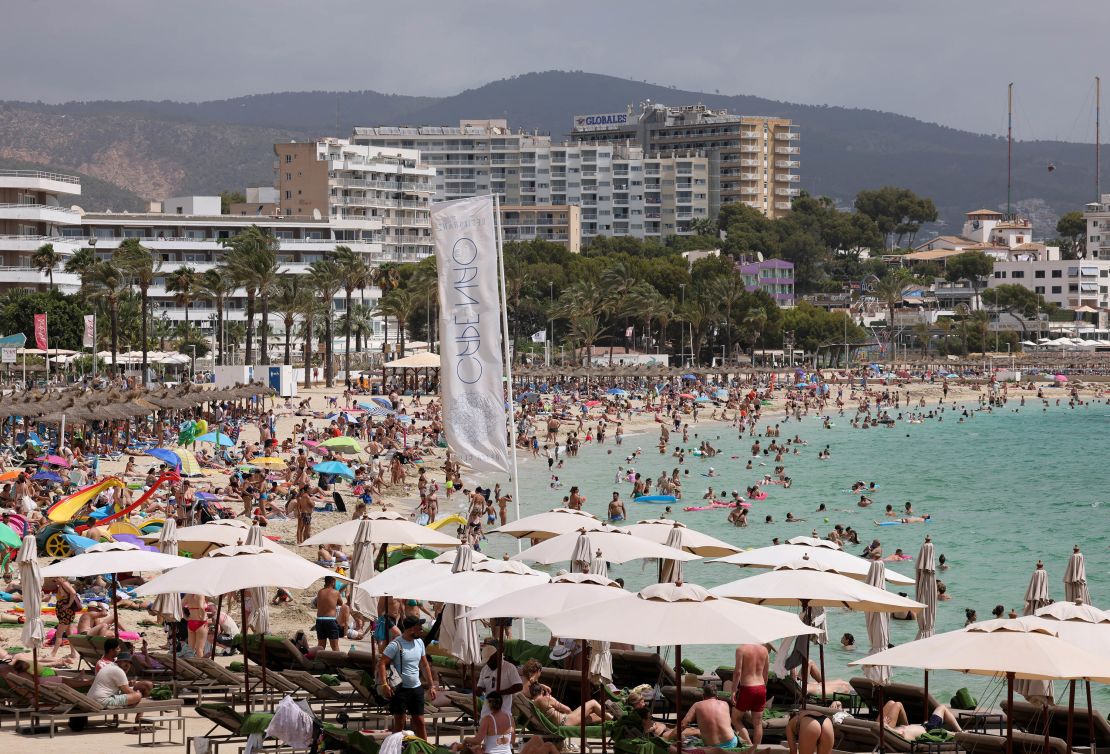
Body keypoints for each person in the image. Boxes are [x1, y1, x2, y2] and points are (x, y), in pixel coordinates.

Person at [377, 616, 439, 739]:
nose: (422, 630)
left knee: (420, 722)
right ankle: (394, 750)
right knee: (400, 723)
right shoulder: (396, 644)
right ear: (411, 629)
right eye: (419, 628)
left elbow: (425, 665)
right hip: (400, 690)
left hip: (416, 688)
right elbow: (382, 663)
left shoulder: (420, 642)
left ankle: (424, 750)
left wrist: (431, 685)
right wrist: (384, 684)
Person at [669, 685, 740, 749]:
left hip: (713, 747)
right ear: (716, 695)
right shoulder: (725, 704)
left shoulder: (697, 705)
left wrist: (669, 738)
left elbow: (683, 724)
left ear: (703, 695)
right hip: (732, 743)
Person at [732, 643, 769, 748]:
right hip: (761, 687)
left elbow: (737, 672)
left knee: (735, 719)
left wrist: (733, 690)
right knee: (758, 723)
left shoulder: (741, 649)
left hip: (747, 688)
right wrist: (763, 688)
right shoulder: (764, 650)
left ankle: (749, 745)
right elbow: (765, 673)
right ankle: (756, 749)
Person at [477, 644, 523, 719]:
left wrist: (500, 693)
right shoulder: (484, 669)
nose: (488, 663)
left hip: (503, 710)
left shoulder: (509, 667)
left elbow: (519, 686)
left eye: (490, 661)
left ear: (496, 656)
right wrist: (478, 690)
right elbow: (480, 686)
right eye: (487, 662)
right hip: (487, 710)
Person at [529, 684, 606, 726]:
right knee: (593, 703)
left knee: (593, 716)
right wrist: (574, 716)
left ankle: (609, 719)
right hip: (566, 721)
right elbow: (567, 709)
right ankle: (614, 719)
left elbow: (532, 683)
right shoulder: (546, 699)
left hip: (560, 723)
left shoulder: (532, 702)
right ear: (542, 691)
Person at [882, 700, 962, 739]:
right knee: (942, 707)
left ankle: (960, 731)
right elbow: (901, 734)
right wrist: (887, 727)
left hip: (925, 727)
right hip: (930, 729)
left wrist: (887, 726)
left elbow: (900, 733)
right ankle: (960, 731)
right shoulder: (897, 733)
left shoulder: (895, 731)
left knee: (891, 703)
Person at [314, 575, 344, 651]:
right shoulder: (335, 592)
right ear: (333, 582)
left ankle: (319, 662)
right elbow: (340, 603)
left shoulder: (320, 591)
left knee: (321, 646)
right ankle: (338, 662)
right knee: (334, 646)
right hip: (330, 620)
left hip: (319, 620)